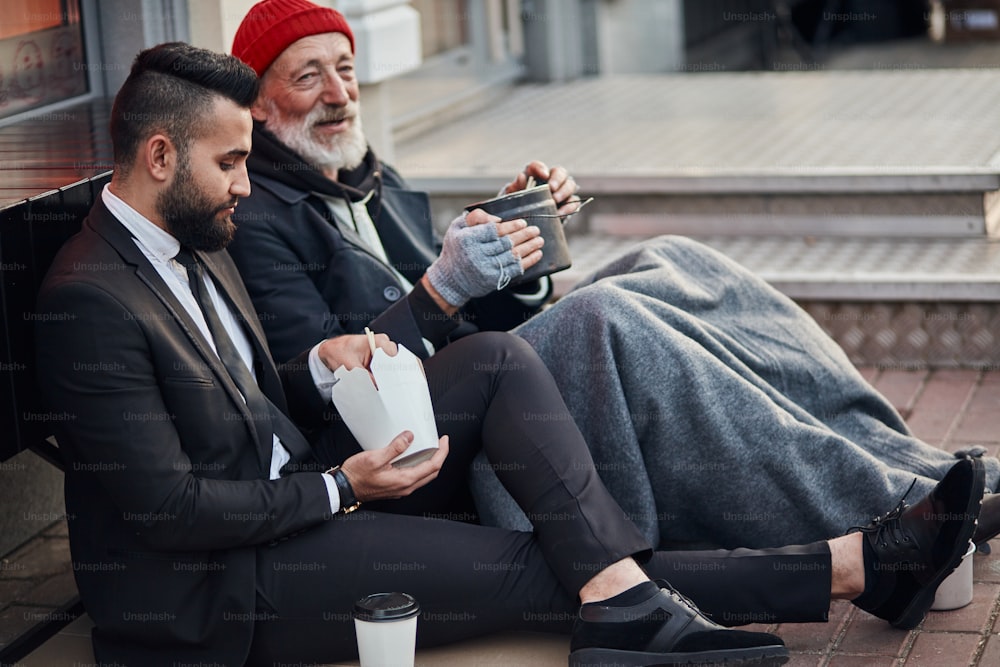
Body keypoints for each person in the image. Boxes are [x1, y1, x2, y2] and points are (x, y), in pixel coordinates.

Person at [33, 40, 990, 667]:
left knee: (510, 356)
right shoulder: (91, 296)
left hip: (308, 470)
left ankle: (787, 544)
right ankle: (857, 562)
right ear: (161, 158)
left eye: (246, 159)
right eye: (228, 162)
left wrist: (321, 365)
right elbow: (166, 508)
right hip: (219, 586)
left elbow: (251, 393)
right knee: (545, 565)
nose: (242, 183)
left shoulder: (192, 232)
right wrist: (345, 488)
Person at [227, 0, 1000, 551]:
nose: (338, 94)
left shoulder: (372, 175)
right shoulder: (256, 219)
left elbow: (480, 310)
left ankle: (918, 461)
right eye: (308, 77)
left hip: (484, 368)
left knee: (677, 259)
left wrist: (518, 243)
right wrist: (442, 291)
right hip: (424, 445)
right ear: (259, 104)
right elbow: (330, 388)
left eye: (346, 70)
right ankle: (894, 507)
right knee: (606, 316)